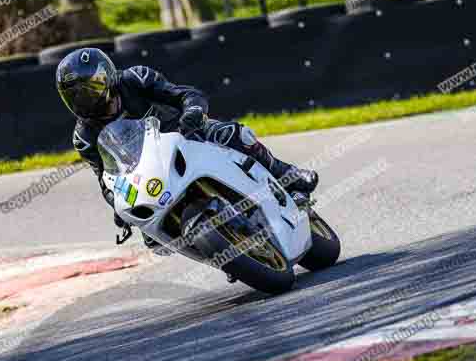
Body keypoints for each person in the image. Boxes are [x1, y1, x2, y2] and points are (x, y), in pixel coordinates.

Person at [55, 48, 319, 245]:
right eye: (75, 94)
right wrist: (118, 208)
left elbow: (184, 93)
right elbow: (105, 180)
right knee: (152, 236)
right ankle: (218, 248)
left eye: (91, 88)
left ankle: (286, 174)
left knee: (233, 134)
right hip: (148, 173)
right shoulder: (84, 137)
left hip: (186, 135)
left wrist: (192, 111)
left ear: (108, 76)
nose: (85, 98)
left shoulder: (135, 78)